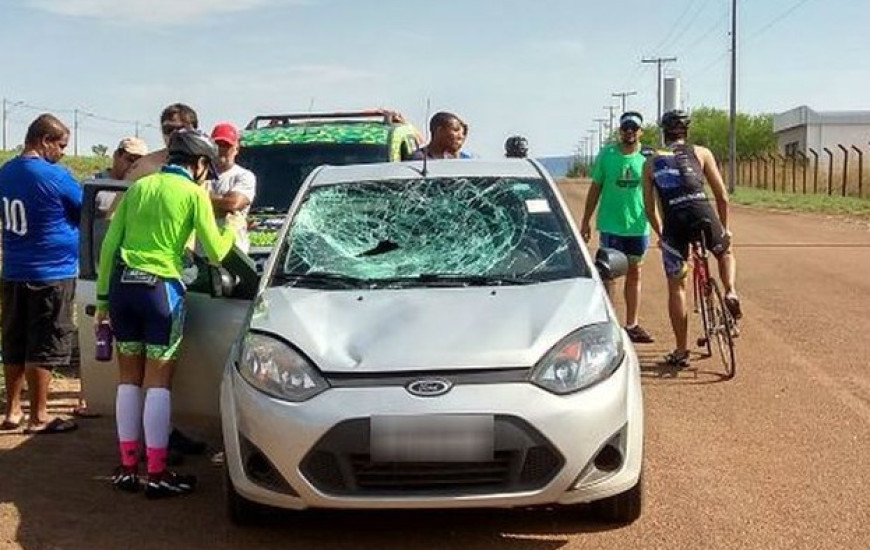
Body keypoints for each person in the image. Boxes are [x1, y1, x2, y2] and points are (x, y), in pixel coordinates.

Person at [97, 129, 242, 498]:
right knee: (158, 382)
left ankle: (128, 468)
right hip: (160, 290)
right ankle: (157, 473)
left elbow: (110, 245)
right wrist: (233, 227)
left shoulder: (140, 187)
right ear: (199, 165)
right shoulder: (194, 193)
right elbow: (214, 252)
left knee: (128, 379)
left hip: (121, 289)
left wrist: (101, 300)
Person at [642, 109, 742, 368]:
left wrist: (661, 234)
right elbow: (722, 196)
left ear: (664, 133)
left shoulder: (651, 162)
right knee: (725, 251)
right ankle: (730, 291)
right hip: (702, 210)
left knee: (677, 286)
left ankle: (681, 349)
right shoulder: (702, 152)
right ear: (687, 132)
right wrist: (726, 229)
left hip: (675, 221)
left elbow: (649, 208)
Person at [0, 114, 80, 434]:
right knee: (43, 346)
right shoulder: (56, 176)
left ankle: (12, 411)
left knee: (14, 341)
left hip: (14, 271)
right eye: (60, 145)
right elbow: (85, 208)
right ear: (44, 141)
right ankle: (40, 416)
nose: (62, 152)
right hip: (51, 272)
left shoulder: (5, 172)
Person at [580, 111, 654, 344]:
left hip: (637, 227)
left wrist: (661, 225)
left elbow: (657, 194)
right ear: (620, 131)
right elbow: (595, 188)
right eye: (625, 128)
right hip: (611, 226)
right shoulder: (607, 155)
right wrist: (585, 220)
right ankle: (608, 324)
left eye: (634, 128)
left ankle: (631, 324)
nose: (629, 132)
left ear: (640, 131)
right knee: (608, 276)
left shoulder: (647, 158)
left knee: (635, 273)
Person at [208, 123, 257, 253]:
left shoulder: (244, 176)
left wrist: (201, 198)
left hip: (232, 253)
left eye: (227, 145)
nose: (222, 149)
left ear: (236, 149)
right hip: (200, 252)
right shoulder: (199, 174)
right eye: (218, 144)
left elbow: (233, 204)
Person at [124, 103, 198, 182]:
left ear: (194, 130)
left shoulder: (207, 165)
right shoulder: (144, 166)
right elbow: (123, 193)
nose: (174, 135)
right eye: (168, 129)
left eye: (181, 129)